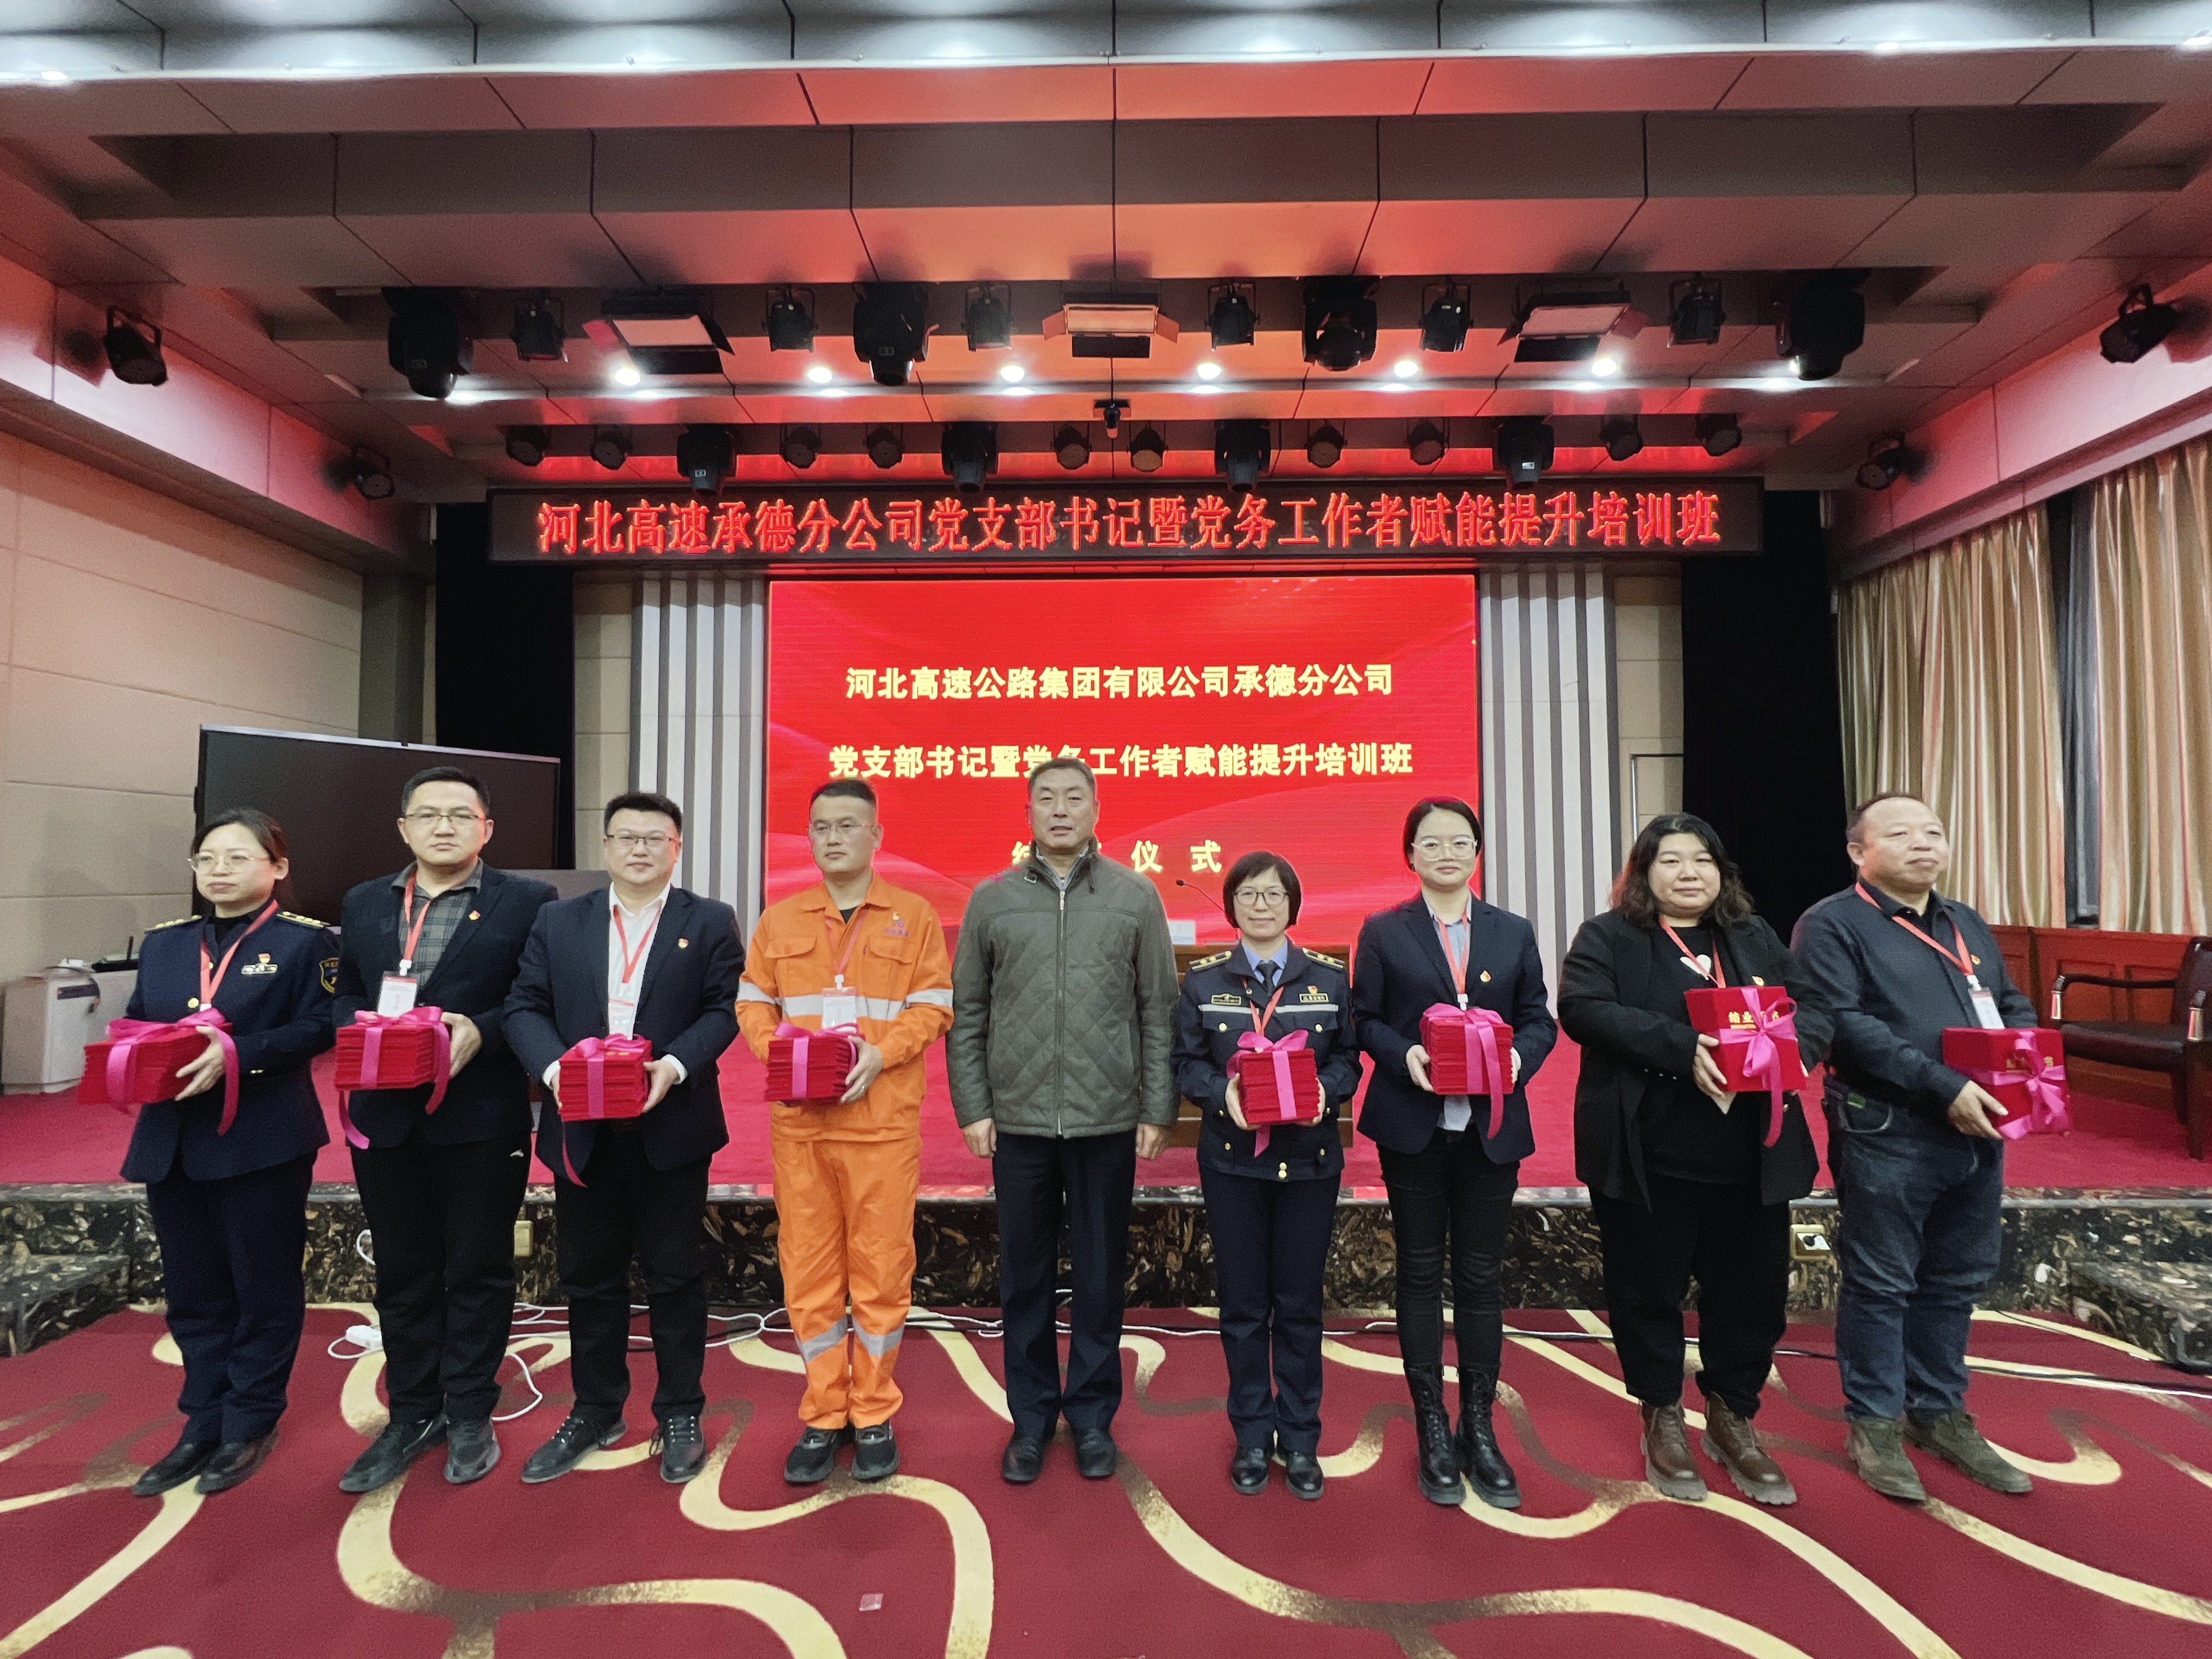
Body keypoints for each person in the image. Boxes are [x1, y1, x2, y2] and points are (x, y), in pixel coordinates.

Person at [1559, 814, 1833, 1507]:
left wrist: (1795, 1048)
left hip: (1752, 1157)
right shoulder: (1609, 936)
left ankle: (1733, 1415)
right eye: (1671, 860)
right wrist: (1685, 1049)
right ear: (1644, 873)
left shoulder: (1752, 935)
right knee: (1646, 1289)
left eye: (1703, 860)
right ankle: (1660, 1413)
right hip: (1651, 1154)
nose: (1689, 873)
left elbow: (1811, 1006)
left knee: (1752, 1295)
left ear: (1722, 872)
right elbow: (1583, 1009)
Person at [1793, 792, 2036, 1503]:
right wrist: (1943, 1086)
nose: (1923, 844)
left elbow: (2008, 1001)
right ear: (1858, 851)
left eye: (1933, 831)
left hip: (1978, 1125)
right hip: (1889, 1124)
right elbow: (1845, 1026)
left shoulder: (1963, 922)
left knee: (1956, 1278)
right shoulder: (1832, 924)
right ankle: (1874, 1423)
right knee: (1882, 1280)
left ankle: (1939, 1412)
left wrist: (2025, 1063)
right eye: (1900, 834)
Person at [949, 757, 1179, 1486]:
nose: (1059, 809)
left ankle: (1091, 1418)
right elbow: (969, 1013)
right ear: (1027, 813)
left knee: (1100, 1278)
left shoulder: (1135, 896)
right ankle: (1031, 1419)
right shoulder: (992, 901)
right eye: (1045, 798)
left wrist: (1156, 1108)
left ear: (1095, 810)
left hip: (1106, 1119)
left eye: (1073, 797)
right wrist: (974, 1106)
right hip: (1017, 1122)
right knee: (1025, 1279)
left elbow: (1158, 1010)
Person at [504, 791, 744, 1486]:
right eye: (626, 837)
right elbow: (524, 1006)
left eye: (654, 838)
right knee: (589, 1275)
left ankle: (680, 1410)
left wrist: (674, 1065)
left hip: (671, 1124)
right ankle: (596, 1408)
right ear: (606, 847)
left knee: (675, 1273)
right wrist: (557, 1072)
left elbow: (724, 1008)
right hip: (580, 1126)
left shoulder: (709, 920)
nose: (640, 848)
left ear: (676, 848)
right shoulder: (559, 920)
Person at [330, 766, 555, 1493]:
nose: (445, 826)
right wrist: (362, 1029)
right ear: (404, 829)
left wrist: (482, 1030)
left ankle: (468, 1409)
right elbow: (345, 992)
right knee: (403, 1270)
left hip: (479, 1114)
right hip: (385, 1115)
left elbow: (536, 998)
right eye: (428, 815)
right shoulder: (365, 902)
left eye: (462, 815)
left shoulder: (528, 902)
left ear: (487, 828)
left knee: (477, 1267)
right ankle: (412, 1411)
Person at [736, 778, 953, 1486]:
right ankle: (825, 1412)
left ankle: (874, 1410)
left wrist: (880, 1055)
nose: (833, 838)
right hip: (802, 1128)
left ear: (876, 835)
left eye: (848, 826)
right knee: (809, 1273)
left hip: (880, 1126)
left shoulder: (913, 916)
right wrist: (783, 1053)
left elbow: (933, 1007)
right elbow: (752, 1003)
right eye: (821, 827)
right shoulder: (780, 918)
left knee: (882, 1272)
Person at [125, 809, 337, 1498]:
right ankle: (201, 1420)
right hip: (171, 1139)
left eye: (237, 857)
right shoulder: (165, 943)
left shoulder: (306, 943)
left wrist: (239, 1052)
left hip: (260, 1136)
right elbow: (139, 1020)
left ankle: (250, 1419)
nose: (219, 870)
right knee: (193, 1291)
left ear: (277, 867)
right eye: (207, 858)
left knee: (262, 1286)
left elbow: (322, 1027)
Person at [1352, 797, 1555, 1510]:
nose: (1447, 853)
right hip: (1413, 1124)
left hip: (1491, 1127)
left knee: (1479, 1275)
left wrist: (1518, 1061)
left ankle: (1479, 1424)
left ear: (1477, 851)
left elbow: (1539, 1018)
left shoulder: (1512, 931)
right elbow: (1364, 1018)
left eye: (1460, 841)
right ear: (1410, 854)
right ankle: (1432, 1425)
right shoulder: (1384, 930)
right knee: (1418, 1271)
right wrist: (1403, 1053)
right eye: (1431, 843)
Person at [1172, 851, 1359, 1500]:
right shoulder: (1204, 983)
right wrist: (1219, 1092)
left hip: (1309, 1163)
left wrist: (1325, 1094)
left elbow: (1349, 1060)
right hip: (1233, 1164)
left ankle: (1301, 1438)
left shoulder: (1328, 979)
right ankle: (1252, 1434)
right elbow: (1185, 1063)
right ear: (1231, 906)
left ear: (1292, 906)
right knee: (1245, 1305)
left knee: (1301, 1306)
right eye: (1249, 894)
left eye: (1274, 894)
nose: (1261, 905)